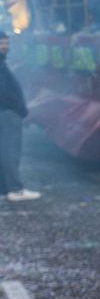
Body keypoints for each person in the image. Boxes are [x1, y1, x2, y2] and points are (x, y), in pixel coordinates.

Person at [0, 34, 39, 202]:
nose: (5, 46)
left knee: (5, 151)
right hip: (7, 112)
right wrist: (17, 108)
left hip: (6, 111)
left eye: (6, 43)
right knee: (10, 152)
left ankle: (5, 189)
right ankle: (15, 189)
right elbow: (4, 92)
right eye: (2, 43)